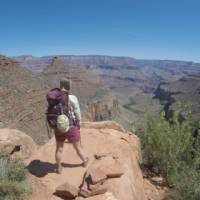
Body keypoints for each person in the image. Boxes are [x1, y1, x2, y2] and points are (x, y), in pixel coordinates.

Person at [54, 79, 89, 174]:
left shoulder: (54, 98)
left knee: (59, 148)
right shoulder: (72, 98)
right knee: (77, 147)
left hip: (59, 127)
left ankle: (59, 167)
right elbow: (77, 112)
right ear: (69, 87)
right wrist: (79, 122)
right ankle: (85, 161)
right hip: (70, 126)